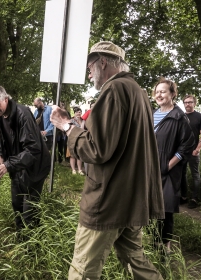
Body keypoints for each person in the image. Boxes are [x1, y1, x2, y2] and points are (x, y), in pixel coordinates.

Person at [50, 41, 165, 280]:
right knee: (136, 261)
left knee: (82, 269)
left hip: (109, 199)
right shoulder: (138, 91)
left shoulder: (113, 91)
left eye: (90, 66)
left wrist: (66, 126)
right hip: (132, 197)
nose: (88, 72)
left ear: (103, 62)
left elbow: (96, 149)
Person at [0, 84, 51, 232]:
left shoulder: (22, 114)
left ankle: (32, 248)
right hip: (17, 166)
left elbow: (33, 150)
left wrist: (7, 165)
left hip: (34, 168)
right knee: (17, 204)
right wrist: (0, 154)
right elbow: (1, 138)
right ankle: (21, 239)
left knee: (29, 211)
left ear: (5, 99)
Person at [152, 78, 195, 252]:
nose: (159, 94)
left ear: (172, 94)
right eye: (157, 91)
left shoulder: (179, 117)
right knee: (150, 208)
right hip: (150, 171)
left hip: (168, 172)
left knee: (165, 210)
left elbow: (187, 145)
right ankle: (152, 246)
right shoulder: (153, 114)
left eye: (163, 91)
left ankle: (165, 250)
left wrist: (167, 166)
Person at [180, 95, 201, 209]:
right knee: (182, 174)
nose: (187, 104)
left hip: (193, 151)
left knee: (195, 174)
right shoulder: (180, 117)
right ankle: (183, 197)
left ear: (194, 103)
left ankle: (195, 198)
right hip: (181, 151)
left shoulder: (200, 117)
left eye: (190, 102)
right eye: (185, 102)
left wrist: (197, 149)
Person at [69, 107, 84, 175]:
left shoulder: (83, 120)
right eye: (77, 112)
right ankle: (73, 169)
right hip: (72, 139)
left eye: (80, 112)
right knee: (72, 155)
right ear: (74, 113)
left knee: (79, 155)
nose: (78, 113)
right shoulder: (71, 120)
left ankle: (80, 169)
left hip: (80, 139)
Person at [56, 101, 71, 166]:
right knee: (55, 147)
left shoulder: (67, 113)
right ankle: (55, 160)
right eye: (61, 104)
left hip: (64, 133)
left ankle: (63, 160)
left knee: (63, 146)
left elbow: (69, 121)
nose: (62, 105)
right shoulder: (56, 112)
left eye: (63, 104)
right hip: (57, 133)